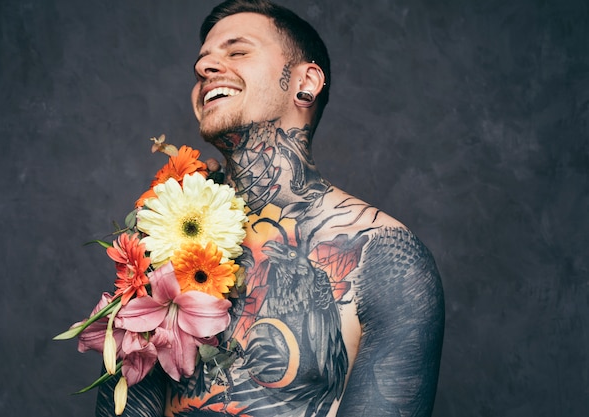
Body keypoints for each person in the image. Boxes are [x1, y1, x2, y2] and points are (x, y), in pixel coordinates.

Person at [96, 0, 444, 416]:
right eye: (202, 62)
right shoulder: (162, 240)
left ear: (306, 83)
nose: (205, 68)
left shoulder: (385, 258)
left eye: (237, 51)